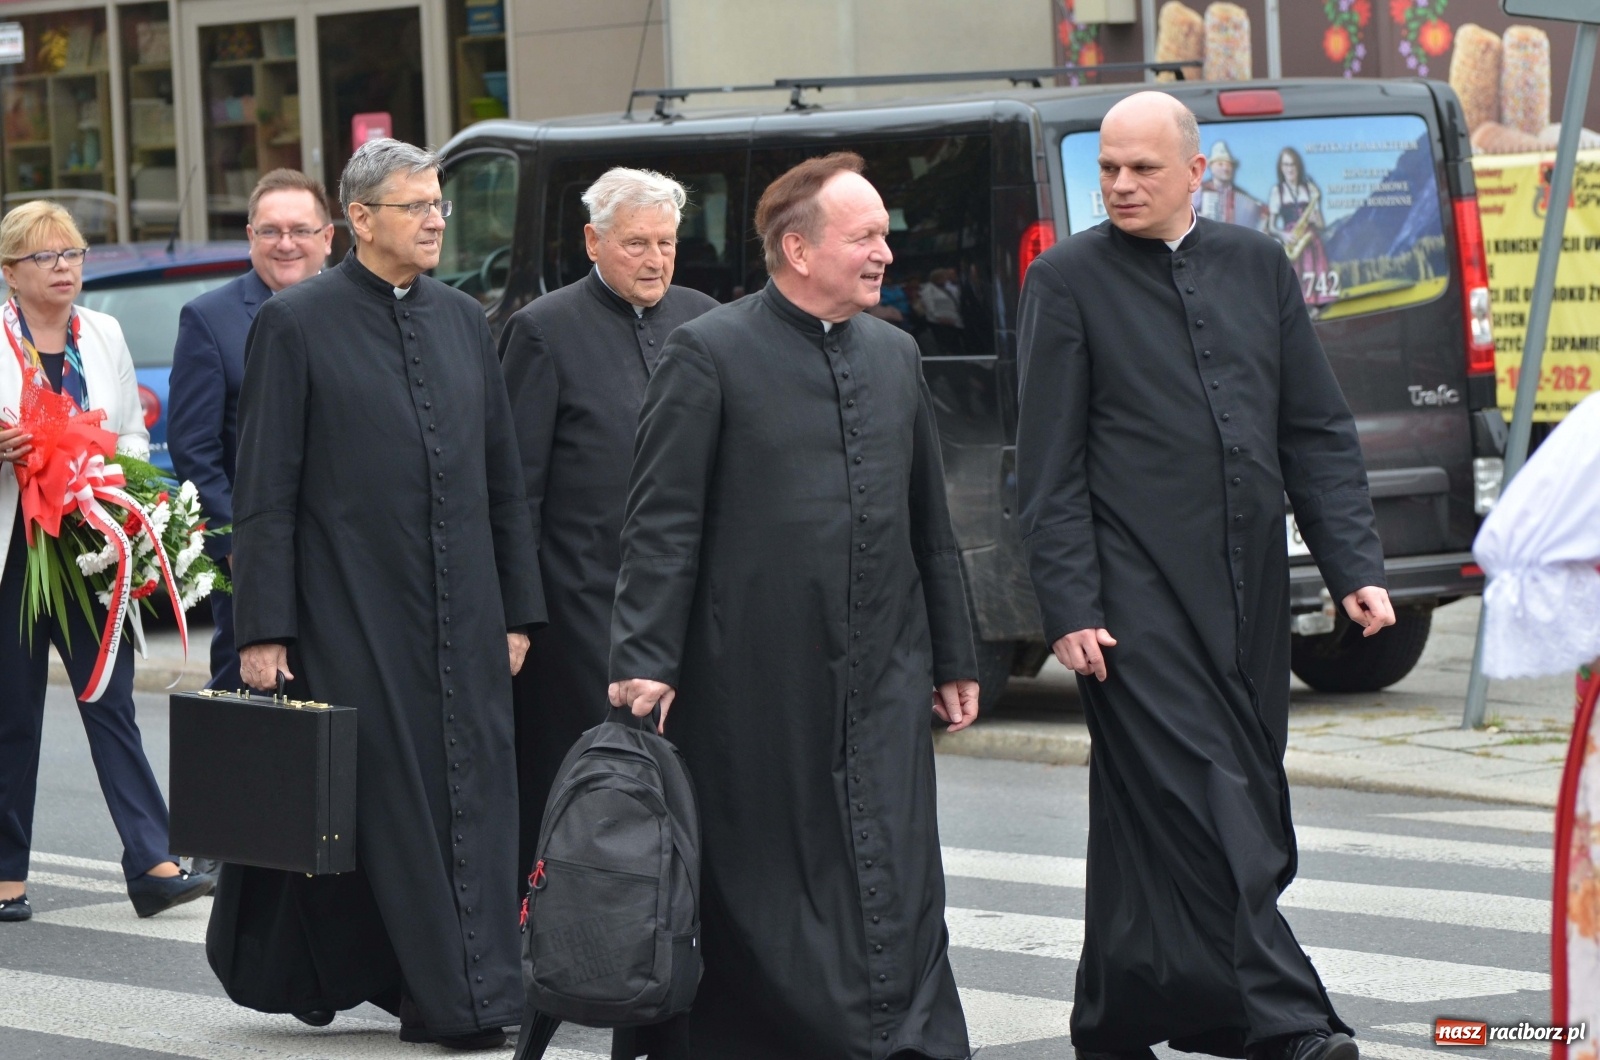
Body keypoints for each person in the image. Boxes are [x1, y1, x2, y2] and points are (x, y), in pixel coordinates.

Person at [1015, 92, 1395, 1060]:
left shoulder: (1256, 263)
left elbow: (1311, 426)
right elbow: (1046, 462)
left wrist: (1352, 563)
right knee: (1213, 795)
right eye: (1107, 168)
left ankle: (1116, 1016)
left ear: (1197, 169)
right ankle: (1283, 1021)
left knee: (1182, 802)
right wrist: (1068, 604)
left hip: (1250, 587)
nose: (1120, 185)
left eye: (1141, 168)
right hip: (1130, 597)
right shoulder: (1065, 279)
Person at [608, 151, 980, 1060]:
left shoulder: (895, 353)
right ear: (798, 249)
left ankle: (909, 1036)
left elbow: (931, 522)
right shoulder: (711, 351)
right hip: (755, 675)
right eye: (866, 237)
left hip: (885, 668)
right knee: (769, 875)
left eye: (884, 235)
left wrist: (956, 655)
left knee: (895, 858)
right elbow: (662, 523)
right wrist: (643, 659)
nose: (886, 254)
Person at [215, 138, 543, 1049]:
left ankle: (479, 984)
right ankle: (456, 1000)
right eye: (419, 206)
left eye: (440, 205)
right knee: (396, 806)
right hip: (354, 609)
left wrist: (518, 609)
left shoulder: (464, 320)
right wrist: (264, 628)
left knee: (478, 797)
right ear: (361, 220)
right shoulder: (296, 324)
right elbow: (266, 488)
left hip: (469, 609)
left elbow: (500, 477)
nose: (438, 220)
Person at [498, 166, 717, 882]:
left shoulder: (705, 319)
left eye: (666, 243)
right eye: (635, 244)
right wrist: (518, 617)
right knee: (585, 798)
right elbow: (517, 492)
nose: (654, 260)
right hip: (580, 617)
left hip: (689, 612)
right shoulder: (542, 330)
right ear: (593, 242)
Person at [0, 200, 213, 924]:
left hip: (92, 541)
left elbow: (129, 435)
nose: (65, 267)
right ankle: (5, 875)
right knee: (13, 711)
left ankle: (151, 864)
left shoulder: (106, 333)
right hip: (13, 549)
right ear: (10, 273)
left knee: (109, 699)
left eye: (73, 254)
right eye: (46, 257)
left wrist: (126, 505)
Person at [168, 168, 333, 696]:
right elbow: (193, 447)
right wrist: (236, 544)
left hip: (345, 549)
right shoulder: (209, 320)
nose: (286, 244)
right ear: (250, 237)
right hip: (257, 558)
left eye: (300, 230)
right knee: (253, 701)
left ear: (328, 237)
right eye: (271, 231)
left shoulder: (359, 311)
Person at [1267, 146, 1332, 306]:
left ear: (1298, 166)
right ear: (1281, 168)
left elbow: (1322, 224)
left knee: (1317, 289)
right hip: (1293, 241)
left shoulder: (1308, 189)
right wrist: (1283, 235)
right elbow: (1271, 226)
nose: (1290, 169)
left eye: (1293, 164)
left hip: (1311, 241)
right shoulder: (1278, 191)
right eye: (1286, 165)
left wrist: (1316, 220)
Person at [1193, 140, 1266, 230]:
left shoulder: (1240, 195)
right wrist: (1200, 218)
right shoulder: (1202, 190)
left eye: (1229, 165)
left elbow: (1262, 213)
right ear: (1211, 167)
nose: (1225, 168)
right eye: (1220, 164)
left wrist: (1263, 217)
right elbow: (1186, 211)